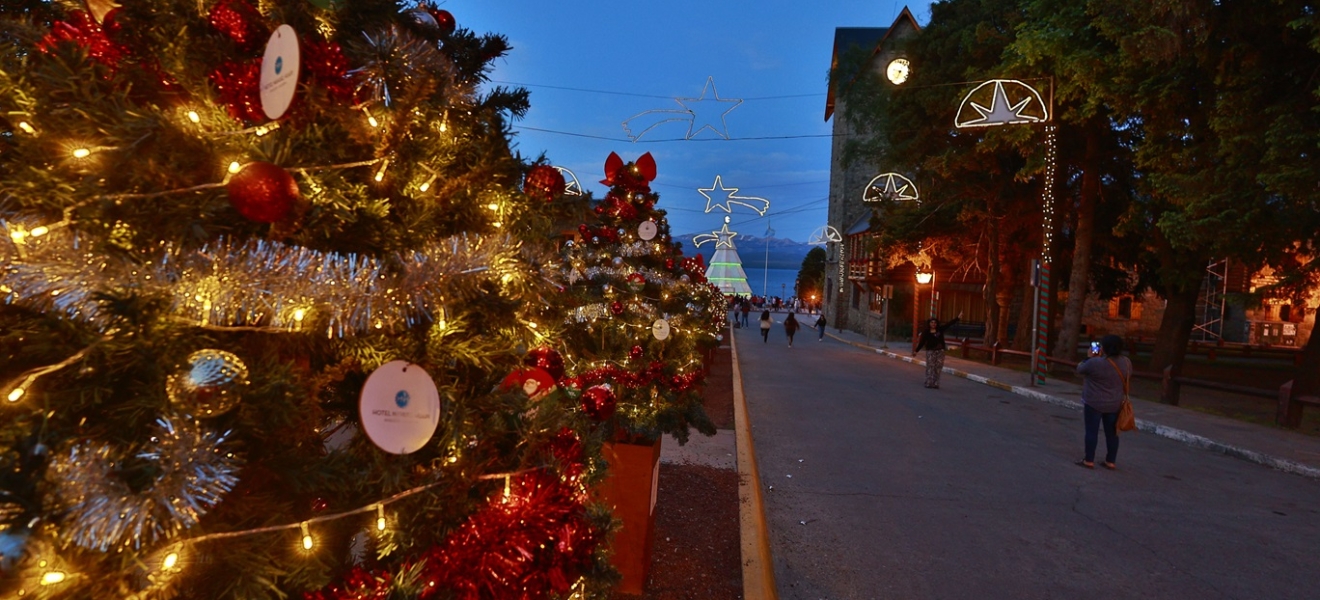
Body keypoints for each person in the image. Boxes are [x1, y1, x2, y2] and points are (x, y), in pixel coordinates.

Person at [1075, 334, 1131, 470]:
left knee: (1091, 431)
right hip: (1114, 403)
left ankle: (1089, 460)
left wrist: (1089, 357)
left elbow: (1080, 369)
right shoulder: (1126, 362)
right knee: (1112, 433)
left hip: (1094, 402)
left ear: (1104, 348)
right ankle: (1110, 461)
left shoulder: (1095, 363)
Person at [912, 311, 962, 389]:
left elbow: (949, 324)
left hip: (940, 351)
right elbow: (922, 342)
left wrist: (957, 318)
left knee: (938, 367)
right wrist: (916, 351)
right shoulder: (926, 332)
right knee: (930, 366)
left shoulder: (940, 330)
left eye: (935, 323)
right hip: (930, 351)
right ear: (929, 324)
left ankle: (936, 383)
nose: (933, 324)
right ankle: (928, 382)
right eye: (931, 322)